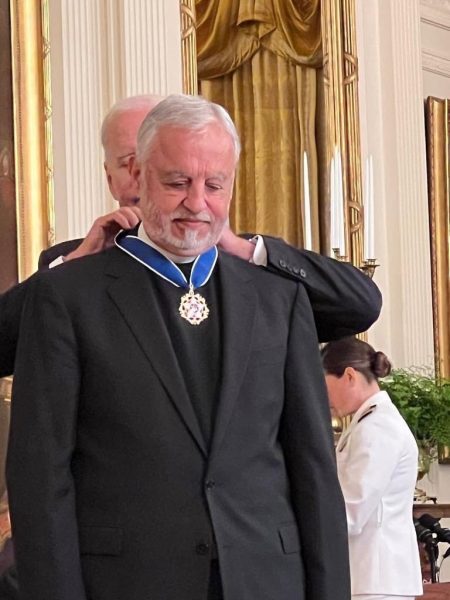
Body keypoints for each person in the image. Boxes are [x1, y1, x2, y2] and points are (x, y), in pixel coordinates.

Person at [7, 94, 357, 600]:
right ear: (137, 176)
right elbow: (40, 479)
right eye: (177, 183)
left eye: (214, 185)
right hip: (127, 583)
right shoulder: (67, 296)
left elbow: (315, 473)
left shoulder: (279, 300)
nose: (197, 203)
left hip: (267, 582)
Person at [321, 337, 423, 600]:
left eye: (325, 385)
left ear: (349, 376)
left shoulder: (377, 427)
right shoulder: (369, 421)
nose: (326, 399)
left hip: (376, 578)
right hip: (371, 575)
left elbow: (351, 510)